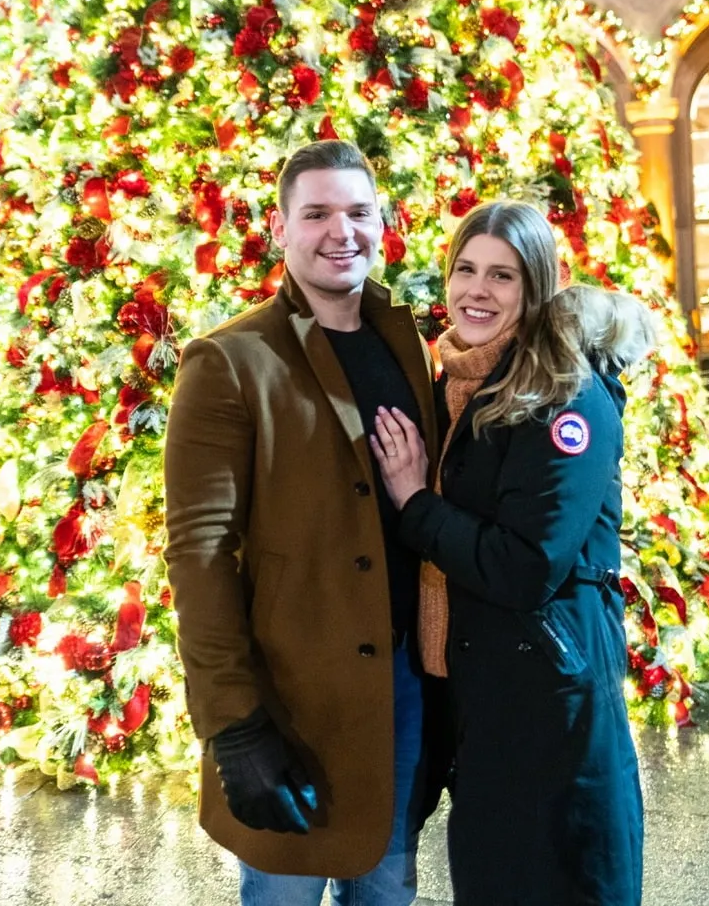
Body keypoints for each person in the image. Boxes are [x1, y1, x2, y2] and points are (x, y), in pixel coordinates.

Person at [163, 140, 444, 906]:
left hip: (401, 689)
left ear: (381, 223)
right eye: (316, 213)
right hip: (293, 700)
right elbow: (200, 552)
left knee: (387, 889)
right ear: (280, 228)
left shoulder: (403, 340)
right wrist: (233, 724)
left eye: (358, 212)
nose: (340, 231)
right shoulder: (229, 359)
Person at [369, 201, 652, 906]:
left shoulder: (564, 396)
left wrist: (415, 501)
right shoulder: (455, 383)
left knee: (557, 880)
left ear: (536, 288)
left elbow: (527, 566)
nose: (477, 290)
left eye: (502, 275)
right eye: (465, 269)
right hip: (483, 691)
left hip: (547, 695)